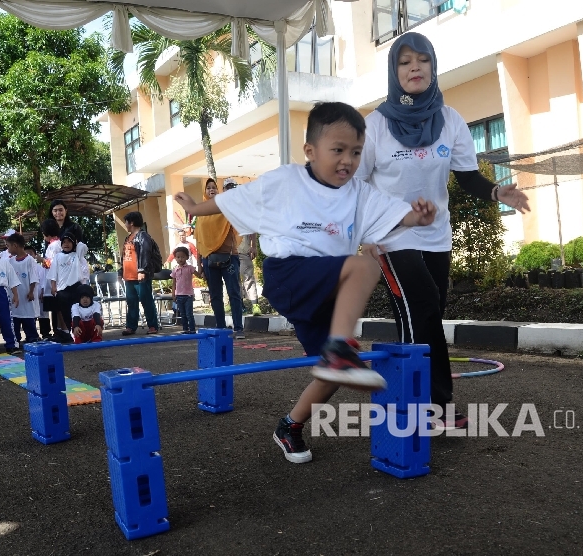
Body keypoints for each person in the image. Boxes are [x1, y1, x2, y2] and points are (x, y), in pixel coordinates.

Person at [174, 101, 437, 464]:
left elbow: (393, 213)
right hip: (290, 275)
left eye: (357, 152)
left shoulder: (359, 193)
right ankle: (340, 347)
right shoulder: (286, 181)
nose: (348, 160)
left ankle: (290, 425)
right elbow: (234, 199)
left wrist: (417, 218)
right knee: (364, 266)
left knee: (330, 374)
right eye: (338, 150)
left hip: (326, 290)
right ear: (310, 152)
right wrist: (193, 208)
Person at [354, 32, 531, 430]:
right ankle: (432, 408)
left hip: (436, 236)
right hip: (391, 236)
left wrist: (496, 191)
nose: (414, 68)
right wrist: (366, 235)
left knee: (421, 316)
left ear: (433, 67)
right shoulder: (376, 126)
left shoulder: (449, 120)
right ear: (394, 71)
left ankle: (405, 401)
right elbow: (358, 185)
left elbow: (467, 176)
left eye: (422, 60)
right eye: (405, 62)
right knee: (424, 306)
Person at [194, 178, 245, 339]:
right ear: (205, 192)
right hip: (209, 261)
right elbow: (199, 241)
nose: (211, 190)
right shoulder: (201, 214)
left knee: (234, 293)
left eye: (214, 187)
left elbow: (242, 221)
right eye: (208, 188)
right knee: (215, 296)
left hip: (229, 258)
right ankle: (221, 328)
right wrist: (199, 266)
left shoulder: (226, 208)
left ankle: (238, 328)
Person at [222, 178, 261, 316]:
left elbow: (251, 227)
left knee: (248, 277)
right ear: (224, 190)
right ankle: (236, 305)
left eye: (233, 186)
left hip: (243, 249)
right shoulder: (221, 208)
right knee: (231, 279)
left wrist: (253, 246)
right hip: (228, 251)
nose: (231, 189)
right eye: (228, 187)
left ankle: (255, 305)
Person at [120, 211, 159, 336]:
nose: (125, 224)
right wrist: (121, 271)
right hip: (128, 276)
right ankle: (131, 326)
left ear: (131, 223)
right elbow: (124, 256)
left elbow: (145, 254)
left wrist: (142, 270)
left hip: (140, 275)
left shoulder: (143, 236)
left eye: (126, 222)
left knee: (146, 300)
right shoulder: (128, 238)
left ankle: (152, 325)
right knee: (131, 302)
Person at [47, 232, 88, 335]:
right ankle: (71, 332)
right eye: (64, 242)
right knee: (65, 312)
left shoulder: (77, 255)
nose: (66, 244)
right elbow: (53, 273)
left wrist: (76, 242)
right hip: (62, 289)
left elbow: (83, 246)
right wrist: (53, 286)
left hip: (76, 287)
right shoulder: (58, 256)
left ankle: (82, 331)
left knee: (78, 311)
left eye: (69, 241)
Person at [6, 233, 40, 344]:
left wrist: (31, 292)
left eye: (8, 246)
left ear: (15, 245)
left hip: (26, 296)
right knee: (15, 318)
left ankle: (32, 338)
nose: (8, 249)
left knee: (28, 318)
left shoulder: (29, 260)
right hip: (15, 297)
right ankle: (15, 340)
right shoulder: (10, 261)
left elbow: (34, 278)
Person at [170, 246, 202, 334]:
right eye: (178, 257)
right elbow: (174, 283)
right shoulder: (175, 270)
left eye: (183, 257)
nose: (180, 259)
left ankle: (192, 329)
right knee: (183, 314)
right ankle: (185, 329)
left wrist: (201, 268)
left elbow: (198, 275)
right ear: (175, 258)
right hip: (179, 295)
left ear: (187, 257)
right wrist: (173, 294)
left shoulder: (190, 268)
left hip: (188, 295)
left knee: (189, 314)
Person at [26, 244, 50, 339]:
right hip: (29, 295)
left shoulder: (39, 268)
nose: (28, 256)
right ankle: (32, 335)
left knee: (43, 314)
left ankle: (46, 333)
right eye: (26, 254)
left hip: (39, 294)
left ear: (35, 255)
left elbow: (44, 280)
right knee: (31, 315)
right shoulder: (24, 266)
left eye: (30, 253)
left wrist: (43, 291)